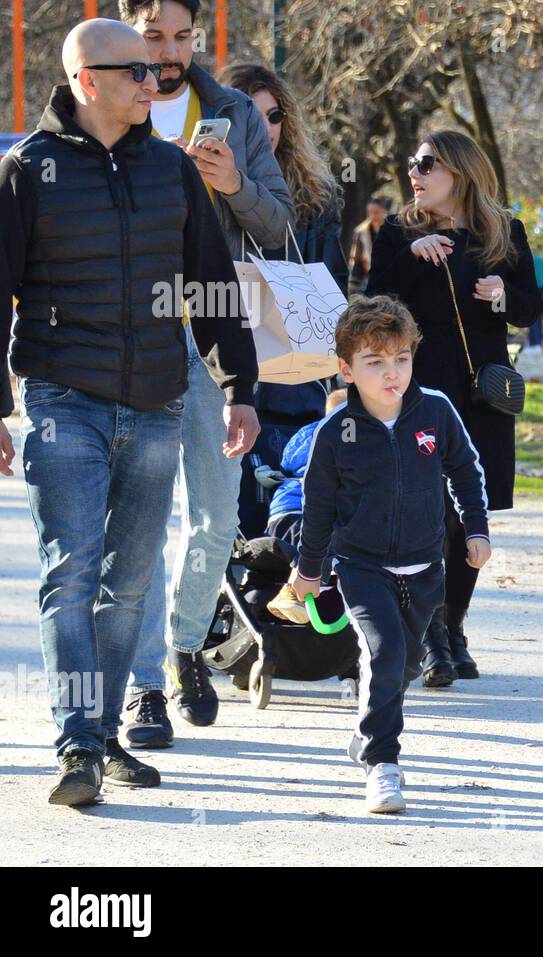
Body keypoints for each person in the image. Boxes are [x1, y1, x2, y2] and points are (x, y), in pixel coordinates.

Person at [0, 19, 258, 805]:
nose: (155, 83)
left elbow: (211, 281)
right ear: (87, 79)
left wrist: (239, 386)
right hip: (60, 398)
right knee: (70, 571)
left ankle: (105, 735)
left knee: (129, 580)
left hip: (155, 401)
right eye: (136, 72)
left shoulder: (172, 173)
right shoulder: (26, 171)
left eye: (156, 71)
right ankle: (76, 739)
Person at [120, 0, 289, 747]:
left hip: (215, 336)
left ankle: (185, 641)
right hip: (128, 339)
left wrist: (233, 186)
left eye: (183, 36)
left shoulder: (227, 112)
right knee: (141, 522)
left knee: (218, 515)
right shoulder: (111, 99)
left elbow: (281, 224)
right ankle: (144, 686)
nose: (169, 51)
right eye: (154, 35)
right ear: (130, 30)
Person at [287, 296, 491, 813]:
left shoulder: (436, 411)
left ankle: (366, 733)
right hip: (361, 567)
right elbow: (318, 506)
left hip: (426, 569)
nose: (391, 373)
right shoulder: (336, 433)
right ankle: (384, 764)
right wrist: (309, 570)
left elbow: (465, 471)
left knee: (400, 670)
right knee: (385, 653)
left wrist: (476, 529)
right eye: (375, 363)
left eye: (401, 358)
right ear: (346, 370)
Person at [365, 129, 543, 688]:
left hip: (481, 390)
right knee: (429, 512)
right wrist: (410, 261)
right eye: (411, 164)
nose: (413, 174)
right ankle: (435, 635)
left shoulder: (502, 230)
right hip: (419, 389)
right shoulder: (398, 232)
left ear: (460, 173)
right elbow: (370, 305)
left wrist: (503, 295)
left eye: (425, 164)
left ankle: (455, 625)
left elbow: (531, 306)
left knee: (470, 516)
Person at [218, 61, 348, 542]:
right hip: (228, 366)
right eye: (253, 116)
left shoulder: (317, 197)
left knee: (293, 503)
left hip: (297, 374)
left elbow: (332, 285)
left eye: (275, 117)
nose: (267, 129)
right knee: (225, 518)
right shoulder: (200, 186)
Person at [262, 387, 349, 623]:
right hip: (296, 514)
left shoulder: (307, 435)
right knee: (325, 541)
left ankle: (315, 594)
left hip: (286, 516)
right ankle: (291, 592)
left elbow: (288, 458)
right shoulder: (334, 439)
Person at [350, 195, 391, 296]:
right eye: (370, 213)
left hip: (390, 277)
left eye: (376, 213)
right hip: (368, 278)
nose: (373, 216)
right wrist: (353, 282)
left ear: (384, 211)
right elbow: (356, 259)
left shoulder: (393, 229)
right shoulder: (361, 231)